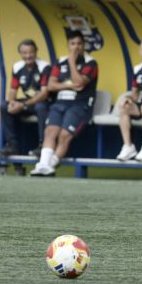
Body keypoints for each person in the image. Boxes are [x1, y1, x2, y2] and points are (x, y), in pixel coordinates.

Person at [30, 31, 98, 177]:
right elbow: (51, 85)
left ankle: (49, 165)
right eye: (73, 44)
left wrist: (72, 63)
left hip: (80, 105)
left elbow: (80, 84)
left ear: (84, 45)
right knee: (50, 132)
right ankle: (43, 164)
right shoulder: (59, 62)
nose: (76, 47)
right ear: (68, 45)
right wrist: (70, 85)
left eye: (79, 44)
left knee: (64, 135)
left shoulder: (91, 63)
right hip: (60, 103)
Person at [0, 39, 51, 157]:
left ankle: (43, 146)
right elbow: (13, 90)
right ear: (20, 53)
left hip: (45, 102)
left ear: (36, 52)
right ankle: (12, 146)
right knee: (4, 106)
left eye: (31, 52)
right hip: (28, 103)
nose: (28, 56)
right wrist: (12, 103)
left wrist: (22, 105)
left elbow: (44, 93)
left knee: (40, 107)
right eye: (24, 53)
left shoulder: (44, 67)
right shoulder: (17, 67)